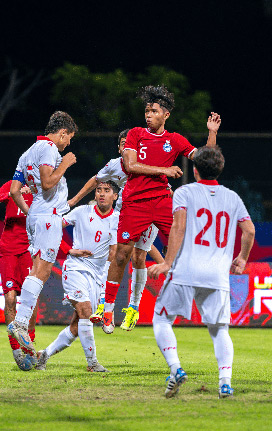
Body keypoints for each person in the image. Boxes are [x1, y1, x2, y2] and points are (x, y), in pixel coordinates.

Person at [102, 85, 221, 334]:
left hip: (163, 202)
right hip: (135, 203)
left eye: (154, 111)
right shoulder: (135, 134)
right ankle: (107, 308)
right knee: (122, 255)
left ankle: (198, 295)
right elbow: (131, 165)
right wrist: (164, 170)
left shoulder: (174, 139)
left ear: (165, 115)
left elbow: (205, 159)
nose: (148, 115)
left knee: (185, 245)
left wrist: (212, 133)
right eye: (147, 111)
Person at [149, 146, 255, 399]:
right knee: (219, 330)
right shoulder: (232, 197)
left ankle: (175, 368)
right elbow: (249, 230)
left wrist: (167, 263)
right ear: (220, 169)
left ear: (195, 170)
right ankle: (225, 382)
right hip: (217, 275)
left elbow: (179, 226)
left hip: (185, 269)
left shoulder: (184, 192)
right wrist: (241, 258)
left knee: (162, 319)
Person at [68, 129, 164, 332]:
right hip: (124, 213)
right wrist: (75, 199)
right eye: (122, 143)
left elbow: (165, 185)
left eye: (128, 143)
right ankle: (105, 307)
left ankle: (133, 307)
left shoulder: (148, 162)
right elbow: (96, 179)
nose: (125, 147)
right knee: (114, 254)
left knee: (139, 257)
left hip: (149, 211)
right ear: (119, 147)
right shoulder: (114, 165)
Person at [7, 111, 78, 356]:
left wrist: (29, 212)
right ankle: (21, 322)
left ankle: (21, 322)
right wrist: (66, 163)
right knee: (41, 269)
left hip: (37, 213)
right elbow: (48, 183)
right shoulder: (49, 148)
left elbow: (15, 191)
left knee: (38, 268)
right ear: (62, 133)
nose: (68, 144)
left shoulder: (26, 153)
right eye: (68, 138)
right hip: (48, 215)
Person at [36, 181, 119, 372]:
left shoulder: (117, 219)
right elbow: (54, 225)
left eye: (107, 191)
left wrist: (106, 279)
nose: (101, 194)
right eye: (99, 190)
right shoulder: (82, 212)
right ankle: (92, 363)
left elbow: (114, 252)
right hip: (76, 268)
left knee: (77, 325)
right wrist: (68, 249)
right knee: (85, 311)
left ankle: (44, 355)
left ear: (115, 196)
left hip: (98, 275)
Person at [0, 181, 38, 370]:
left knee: (31, 298)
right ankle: (16, 351)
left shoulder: (42, 188)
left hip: (28, 249)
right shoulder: (13, 185)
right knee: (10, 298)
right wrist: (12, 193)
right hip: (8, 250)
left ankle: (30, 346)